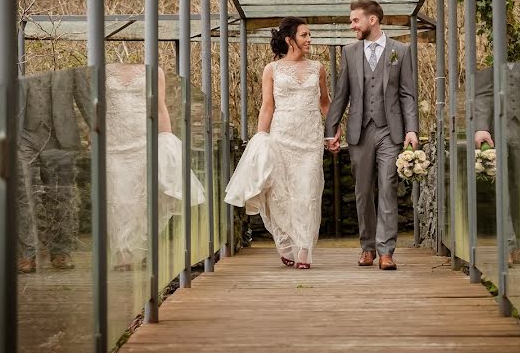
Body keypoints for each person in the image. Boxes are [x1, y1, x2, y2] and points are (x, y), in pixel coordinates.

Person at [225, 17, 330, 269]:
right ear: (289, 39)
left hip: (310, 139)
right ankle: (285, 243)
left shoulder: (318, 68)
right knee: (280, 193)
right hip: (282, 137)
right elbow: (267, 106)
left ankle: (304, 249)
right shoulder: (272, 69)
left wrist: (333, 131)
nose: (309, 39)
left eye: (309, 35)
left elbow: (325, 102)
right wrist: (261, 138)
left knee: (308, 191)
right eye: (304, 35)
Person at [324, 0, 419, 271]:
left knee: (388, 188)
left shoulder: (401, 50)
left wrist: (412, 129)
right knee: (363, 191)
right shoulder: (350, 52)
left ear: (372, 20)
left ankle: (386, 251)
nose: (351, 24)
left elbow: (408, 94)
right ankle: (367, 247)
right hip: (360, 131)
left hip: (391, 131)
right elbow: (341, 94)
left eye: (355, 20)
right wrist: (331, 131)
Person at [105, 62, 205, 271]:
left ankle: (142, 250)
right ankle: (122, 254)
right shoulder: (104, 70)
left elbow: (159, 107)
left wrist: (167, 139)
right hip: (114, 142)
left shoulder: (154, 71)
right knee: (119, 199)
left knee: (143, 199)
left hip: (144, 140)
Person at [17, 68, 92, 274]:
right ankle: (27, 255)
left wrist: (95, 127)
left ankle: (61, 251)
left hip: (60, 137)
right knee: (24, 194)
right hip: (23, 136)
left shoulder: (64, 59)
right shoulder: (16, 54)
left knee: (61, 195)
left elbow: (84, 94)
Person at [473, 62, 520, 267]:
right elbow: (482, 94)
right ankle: (508, 246)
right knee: (502, 188)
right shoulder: (489, 58)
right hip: (497, 130)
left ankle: (519, 244)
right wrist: (481, 127)